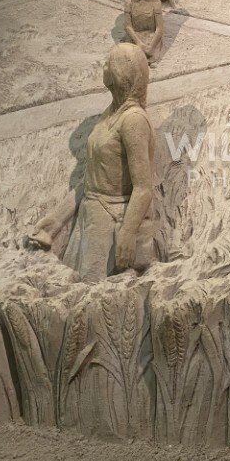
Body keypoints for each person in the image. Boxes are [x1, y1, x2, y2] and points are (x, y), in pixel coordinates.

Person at [27, 44, 157, 282]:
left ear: (121, 74)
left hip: (113, 225)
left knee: (96, 294)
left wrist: (127, 233)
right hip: (93, 219)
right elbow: (91, 180)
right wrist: (52, 224)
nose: (104, 67)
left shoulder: (133, 121)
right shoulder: (111, 113)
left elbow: (143, 188)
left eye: (109, 63)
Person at [125, 0, 164, 66]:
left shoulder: (156, 2)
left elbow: (159, 28)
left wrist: (151, 47)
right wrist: (139, 43)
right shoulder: (129, 2)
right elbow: (128, 26)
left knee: (149, 54)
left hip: (151, 36)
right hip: (135, 36)